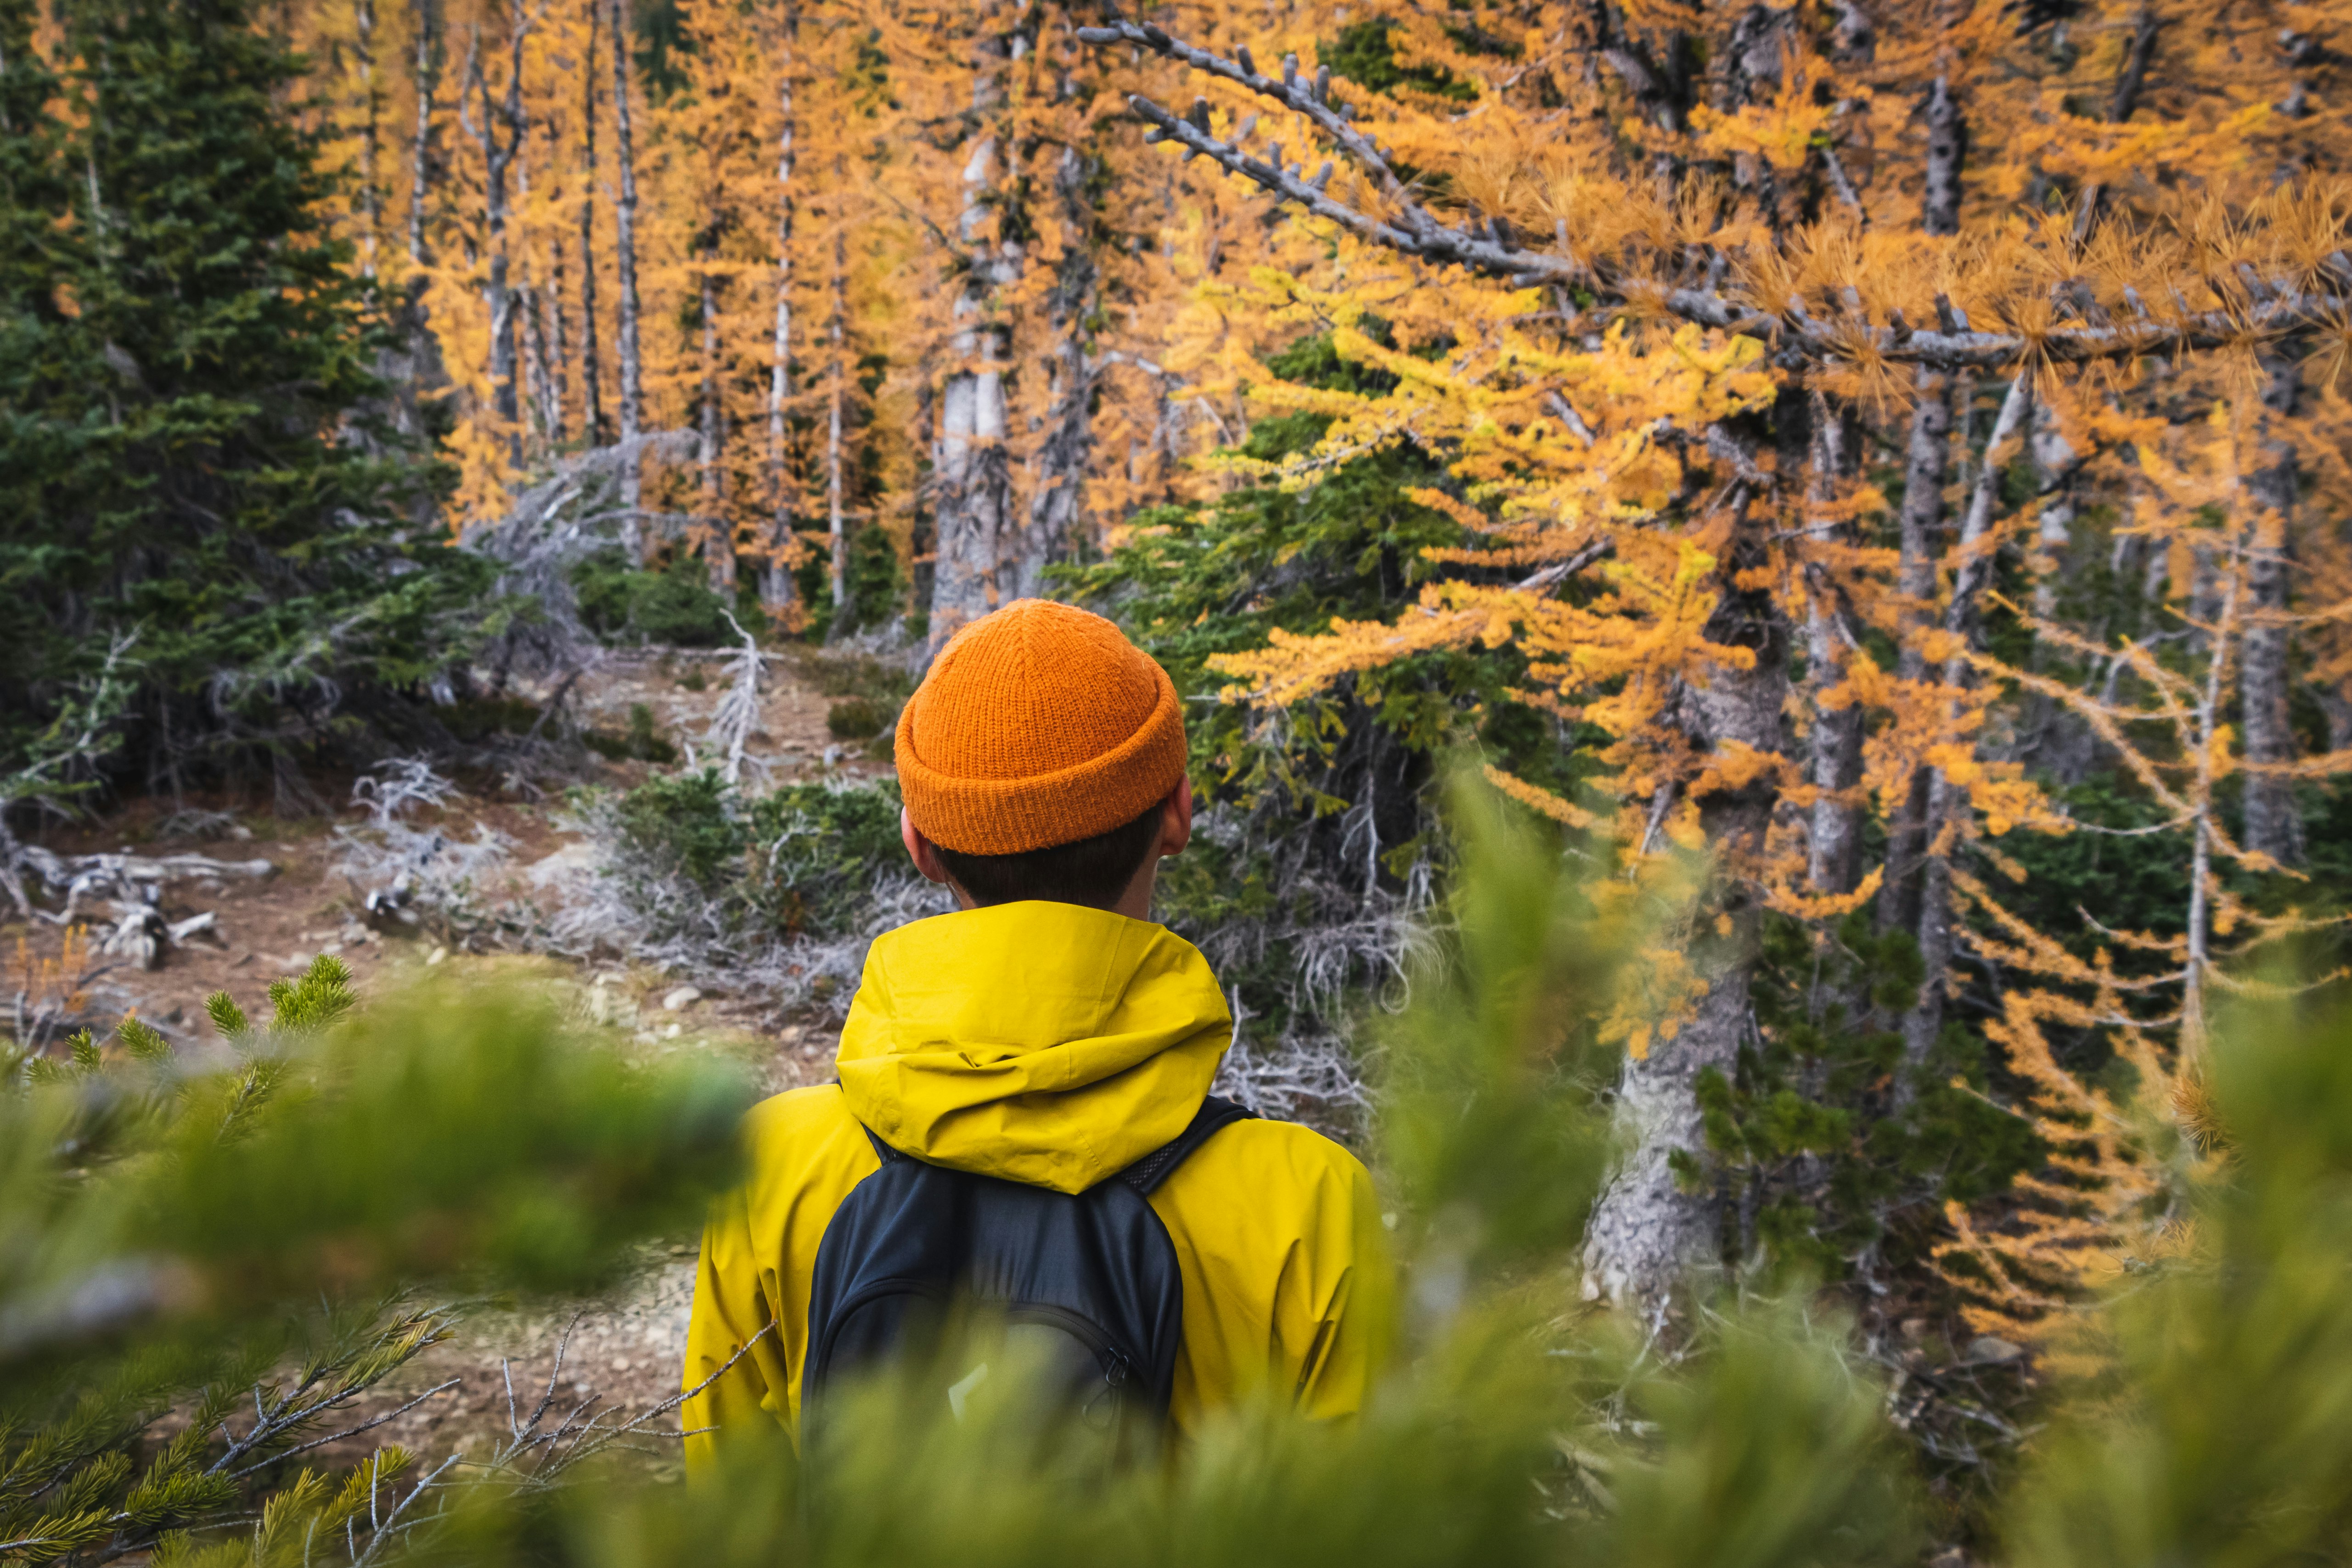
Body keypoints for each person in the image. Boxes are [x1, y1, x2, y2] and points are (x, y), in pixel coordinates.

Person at [680, 598, 1393, 1467]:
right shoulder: (1307, 1203)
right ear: (1177, 813)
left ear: (920, 842)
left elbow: (727, 1504)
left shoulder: (772, 1167)